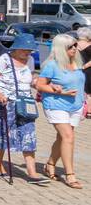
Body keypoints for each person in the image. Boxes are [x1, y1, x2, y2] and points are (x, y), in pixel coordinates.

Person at [0, 33, 40, 180]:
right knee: (2, 133)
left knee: (28, 134)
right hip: (4, 103)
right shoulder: (4, 60)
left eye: (30, 50)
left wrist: (39, 84)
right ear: (16, 48)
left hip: (25, 103)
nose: (27, 52)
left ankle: (32, 172)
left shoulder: (30, 60)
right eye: (25, 49)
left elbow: (31, 79)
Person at [36, 33, 85, 189]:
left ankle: (50, 164)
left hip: (75, 105)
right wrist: (58, 90)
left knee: (63, 138)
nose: (75, 49)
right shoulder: (52, 65)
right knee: (68, 136)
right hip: (56, 104)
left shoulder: (76, 63)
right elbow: (40, 85)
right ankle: (70, 175)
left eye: (75, 45)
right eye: (71, 47)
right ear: (61, 49)